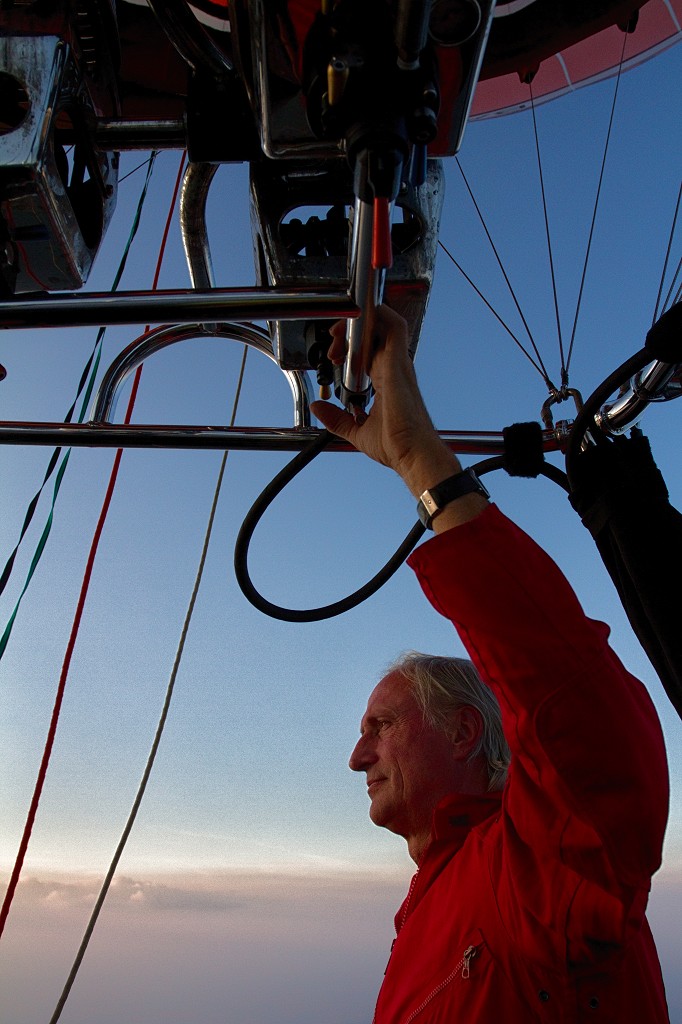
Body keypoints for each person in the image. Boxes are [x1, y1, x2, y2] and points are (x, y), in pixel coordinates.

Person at [311, 307, 670, 1023]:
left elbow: (586, 722)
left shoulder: (534, 870)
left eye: (381, 726)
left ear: (465, 732)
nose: (357, 756)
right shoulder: (425, 914)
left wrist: (422, 463)